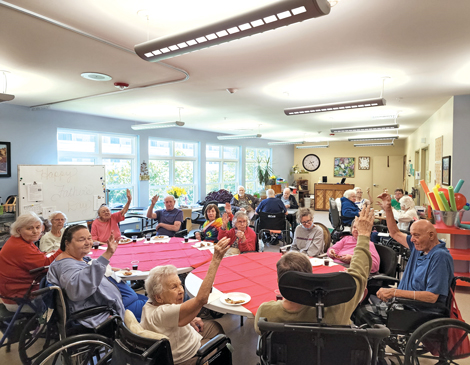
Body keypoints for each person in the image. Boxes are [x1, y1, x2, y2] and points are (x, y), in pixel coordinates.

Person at [254, 207, 375, 334]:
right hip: (329, 353)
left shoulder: (266, 312)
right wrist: (364, 236)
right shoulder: (337, 310)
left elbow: (259, 332)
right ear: (310, 276)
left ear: (279, 281)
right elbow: (358, 275)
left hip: (285, 353)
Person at [355, 193, 454, 326]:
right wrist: (388, 209)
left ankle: (374, 344)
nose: (412, 239)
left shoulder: (440, 257)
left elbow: (431, 297)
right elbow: (395, 233)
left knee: (363, 313)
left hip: (418, 311)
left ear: (431, 235)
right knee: (358, 306)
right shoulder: (419, 247)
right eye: (411, 235)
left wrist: (395, 292)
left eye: (416, 235)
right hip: (403, 304)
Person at [141, 237, 231, 365]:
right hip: (188, 357)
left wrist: (189, 319)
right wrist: (216, 259)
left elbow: (170, 318)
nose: (181, 291)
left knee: (215, 326)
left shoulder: (149, 305)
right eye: (173, 287)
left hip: (179, 341)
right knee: (222, 341)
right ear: (159, 297)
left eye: (180, 285)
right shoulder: (163, 312)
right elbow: (201, 300)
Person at [48, 225, 147, 327]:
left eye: (89, 238)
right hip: (103, 310)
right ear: (67, 243)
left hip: (111, 301)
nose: (88, 242)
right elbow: (76, 290)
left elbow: (90, 268)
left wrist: (117, 269)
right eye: (81, 239)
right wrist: (108, 253)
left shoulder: (76, 258)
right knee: (154, 308)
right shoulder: (66, 265)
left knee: (146, 301)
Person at [0, 212, 62, 312]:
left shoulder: (19, 241)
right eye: (29, 228)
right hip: (20, 299)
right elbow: (47, 265)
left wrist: (45, 254)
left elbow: (34, 259)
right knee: (64, 301)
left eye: (38, 227)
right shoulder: (20, 246)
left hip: (14, 293)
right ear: (19, 230)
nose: (35, 231)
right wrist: (63, 248)